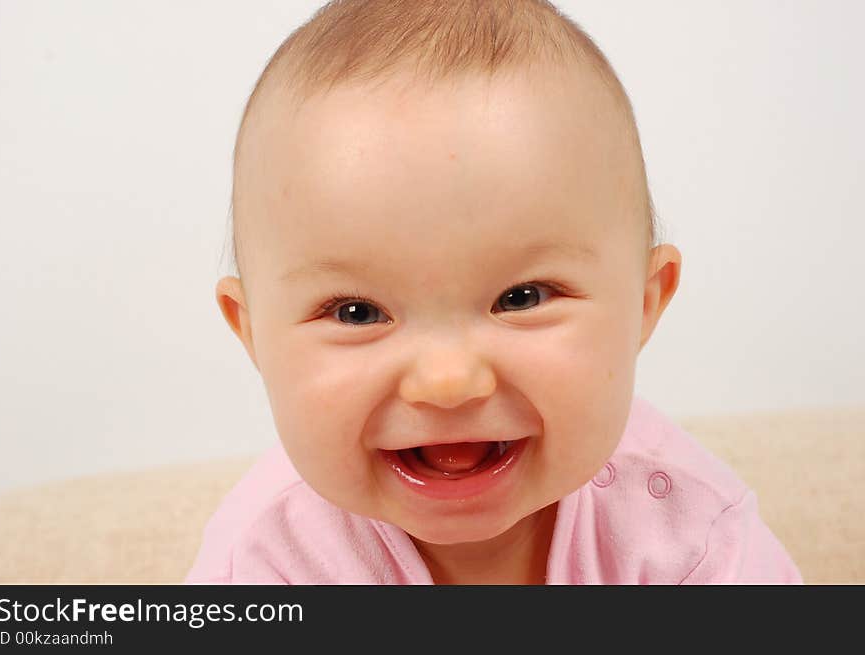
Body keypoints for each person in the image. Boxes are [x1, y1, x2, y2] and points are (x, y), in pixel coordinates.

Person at [186, 0, 802, 584]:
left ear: (644, 303)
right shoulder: (264, 566)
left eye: (523, 298)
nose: (448, 380)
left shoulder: (691, 540)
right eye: (358, 312)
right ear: (252, 332)